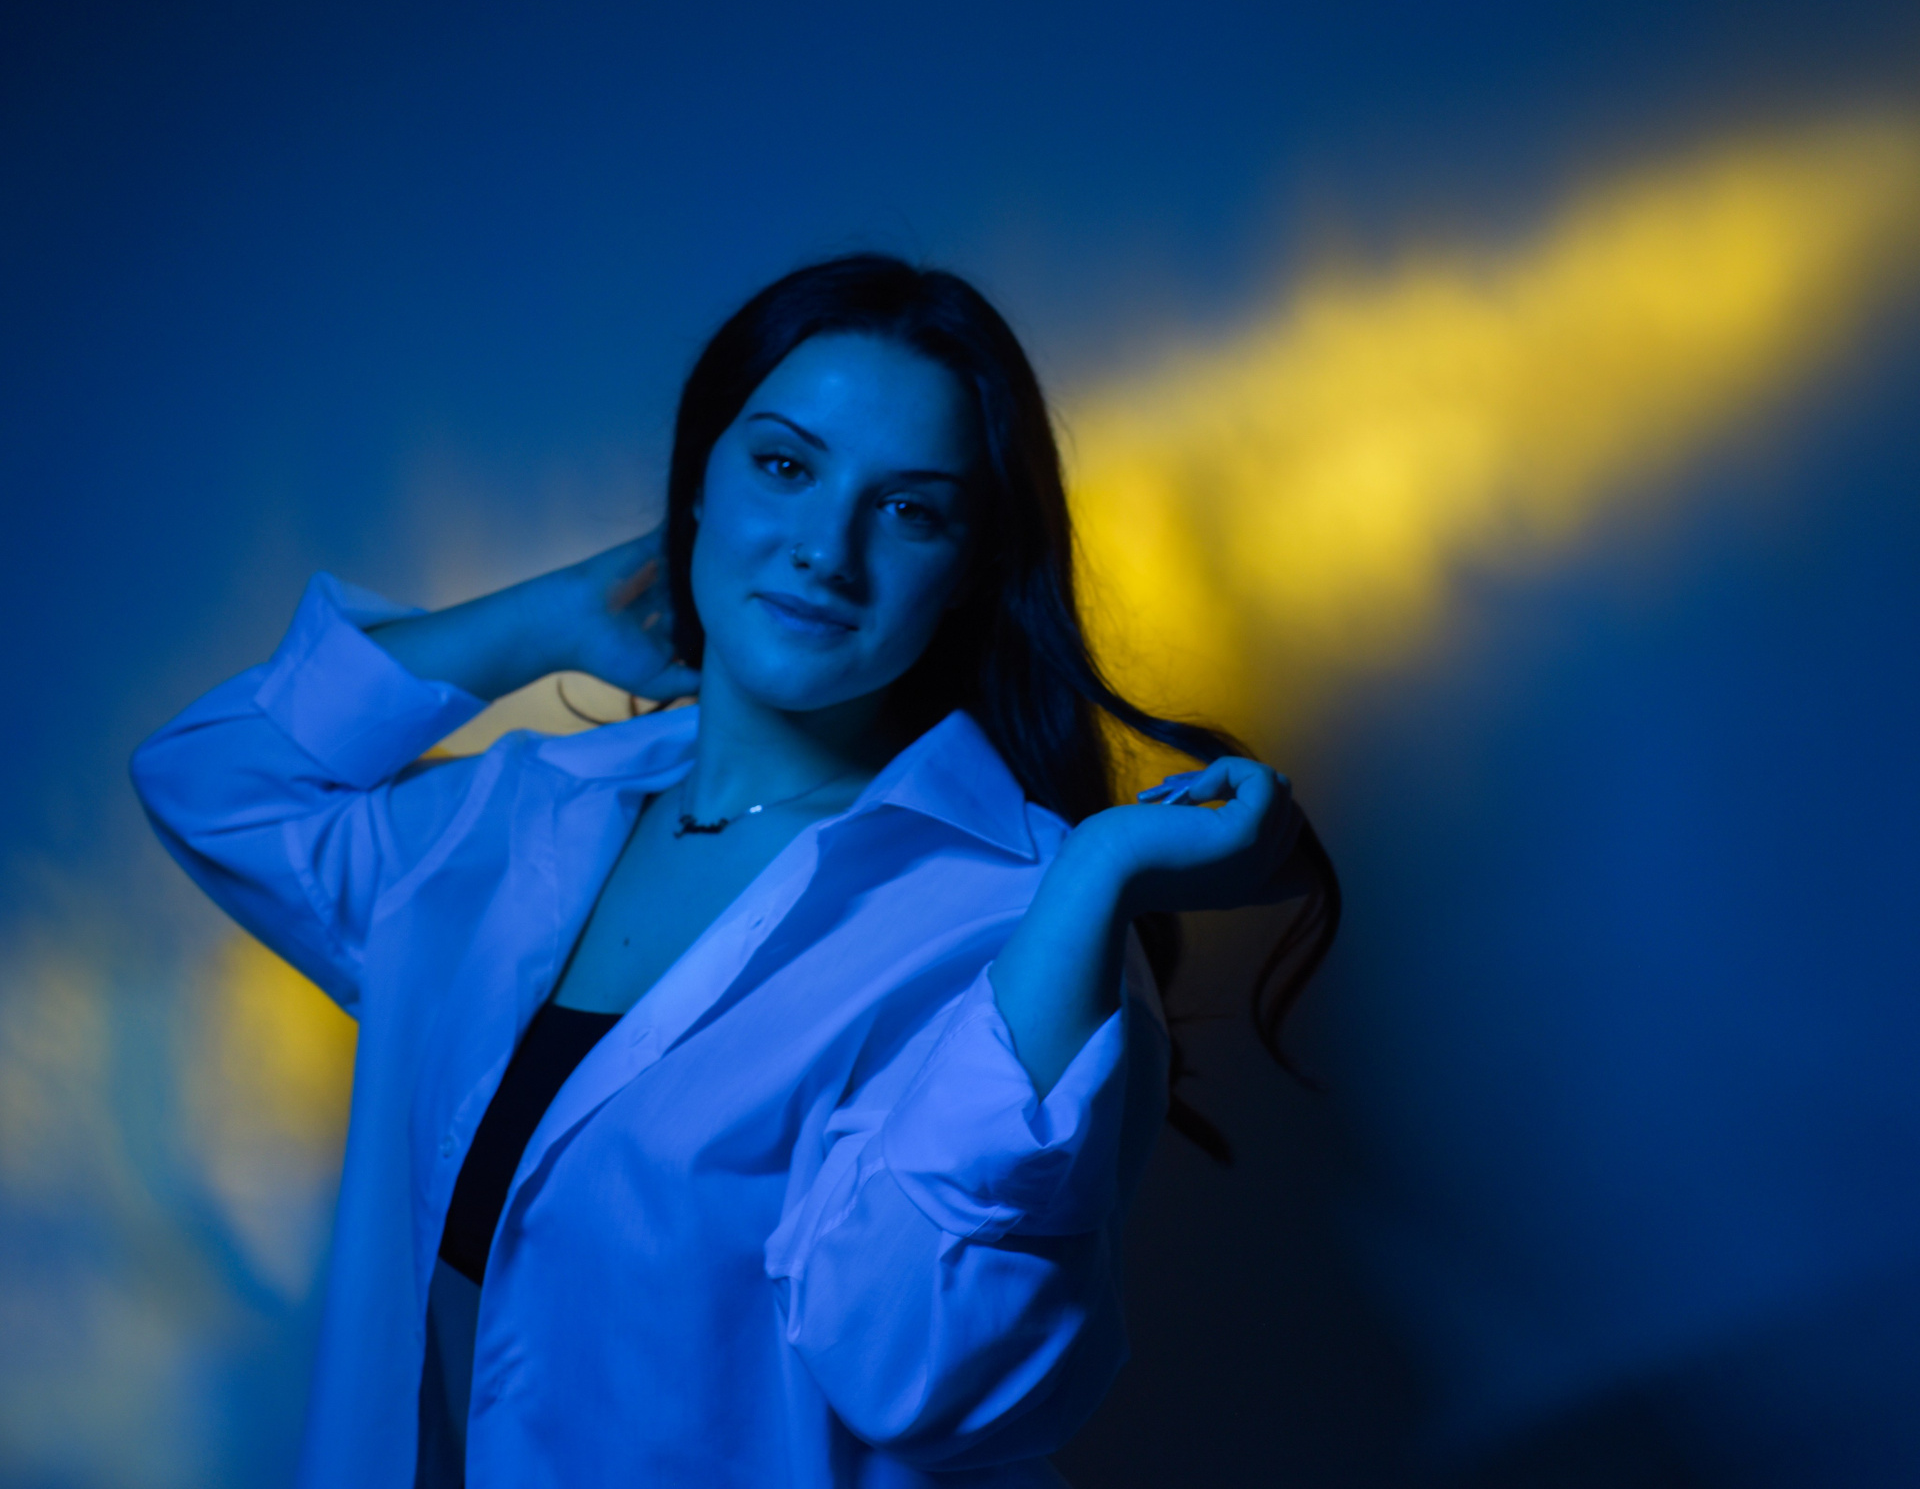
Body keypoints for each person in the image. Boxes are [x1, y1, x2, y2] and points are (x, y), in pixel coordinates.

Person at [131, 254, 1338, 1488]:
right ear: (699, 481)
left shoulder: (1014, 919)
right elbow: (213, 779)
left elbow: (933, 1378)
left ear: (971, 569)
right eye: (784, 467)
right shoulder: (518, 818)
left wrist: (1097, 877)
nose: (826, 550)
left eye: (909, 510)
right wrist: (545, 617)